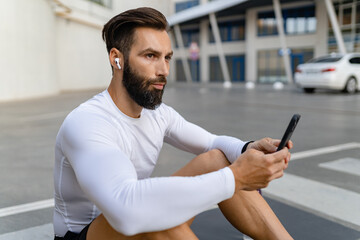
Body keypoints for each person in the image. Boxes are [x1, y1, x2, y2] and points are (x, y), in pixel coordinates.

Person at [53, 7, 293, 240]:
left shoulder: (158, 114)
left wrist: (247, 149)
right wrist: (236, 177)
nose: (164, 70)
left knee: (217, 160)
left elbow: (212, 142)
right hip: (86, 234)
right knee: (150, 216)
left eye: (167, 57)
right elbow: (127, 210)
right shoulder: (87, 122)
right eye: (150, 56)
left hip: (131, 220)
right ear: (117, 59)